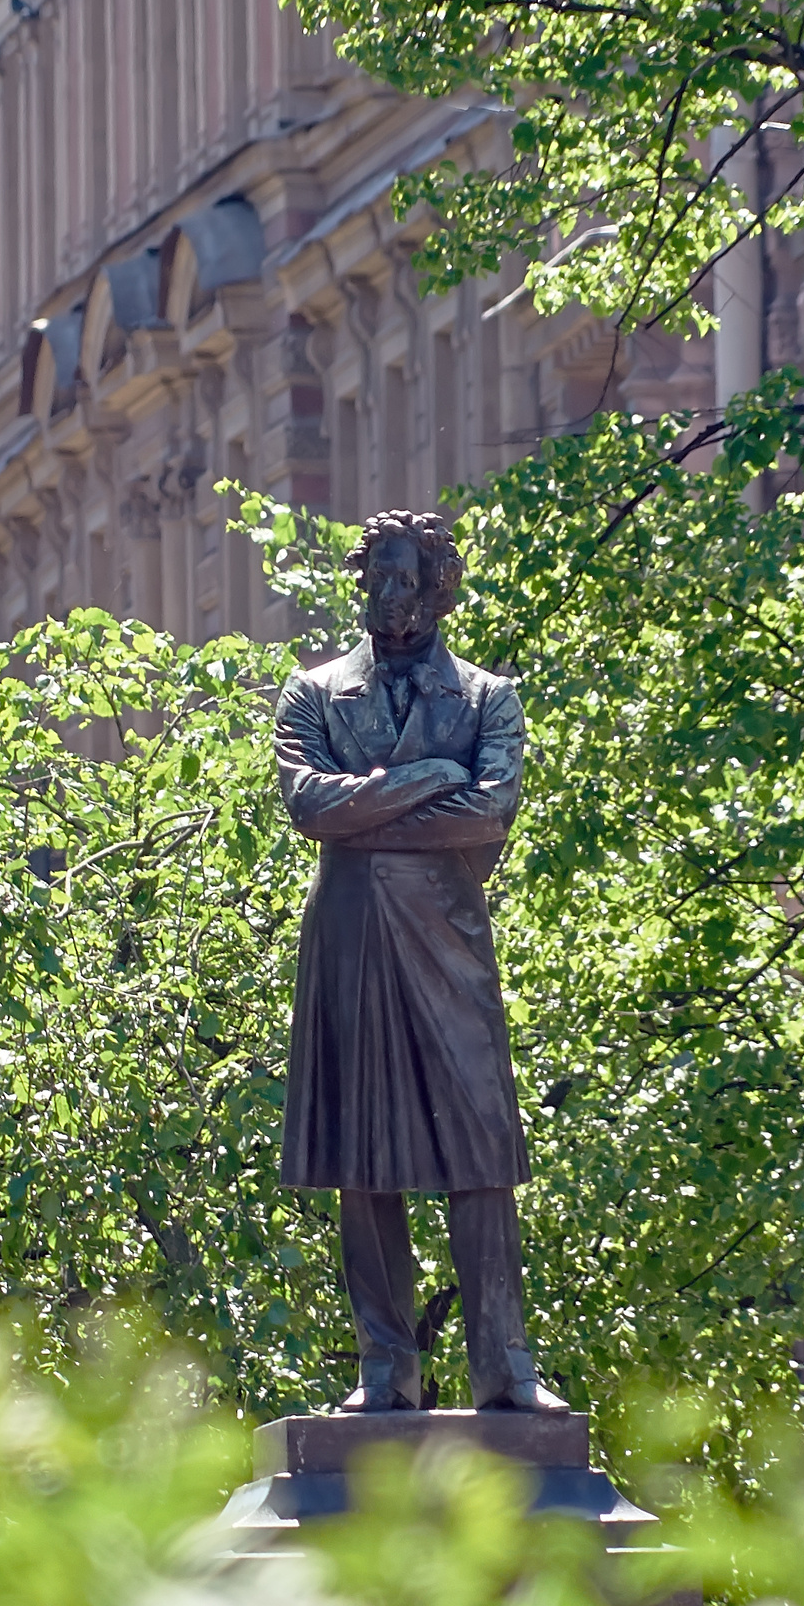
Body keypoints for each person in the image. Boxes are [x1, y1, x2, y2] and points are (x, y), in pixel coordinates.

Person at [273, 509, 566, 1414]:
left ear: (439, 589)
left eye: (404, 580)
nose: (384, 596)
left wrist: (379, 813)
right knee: (363, 1159)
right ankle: (384, 1368)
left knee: (480, 1150)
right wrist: (428, 777)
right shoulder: (313, 694)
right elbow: (311, 807)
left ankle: (505, 1366)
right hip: (352, 935)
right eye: (374, 578)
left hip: (449, 937)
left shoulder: (488, 698)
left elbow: (491, 813)